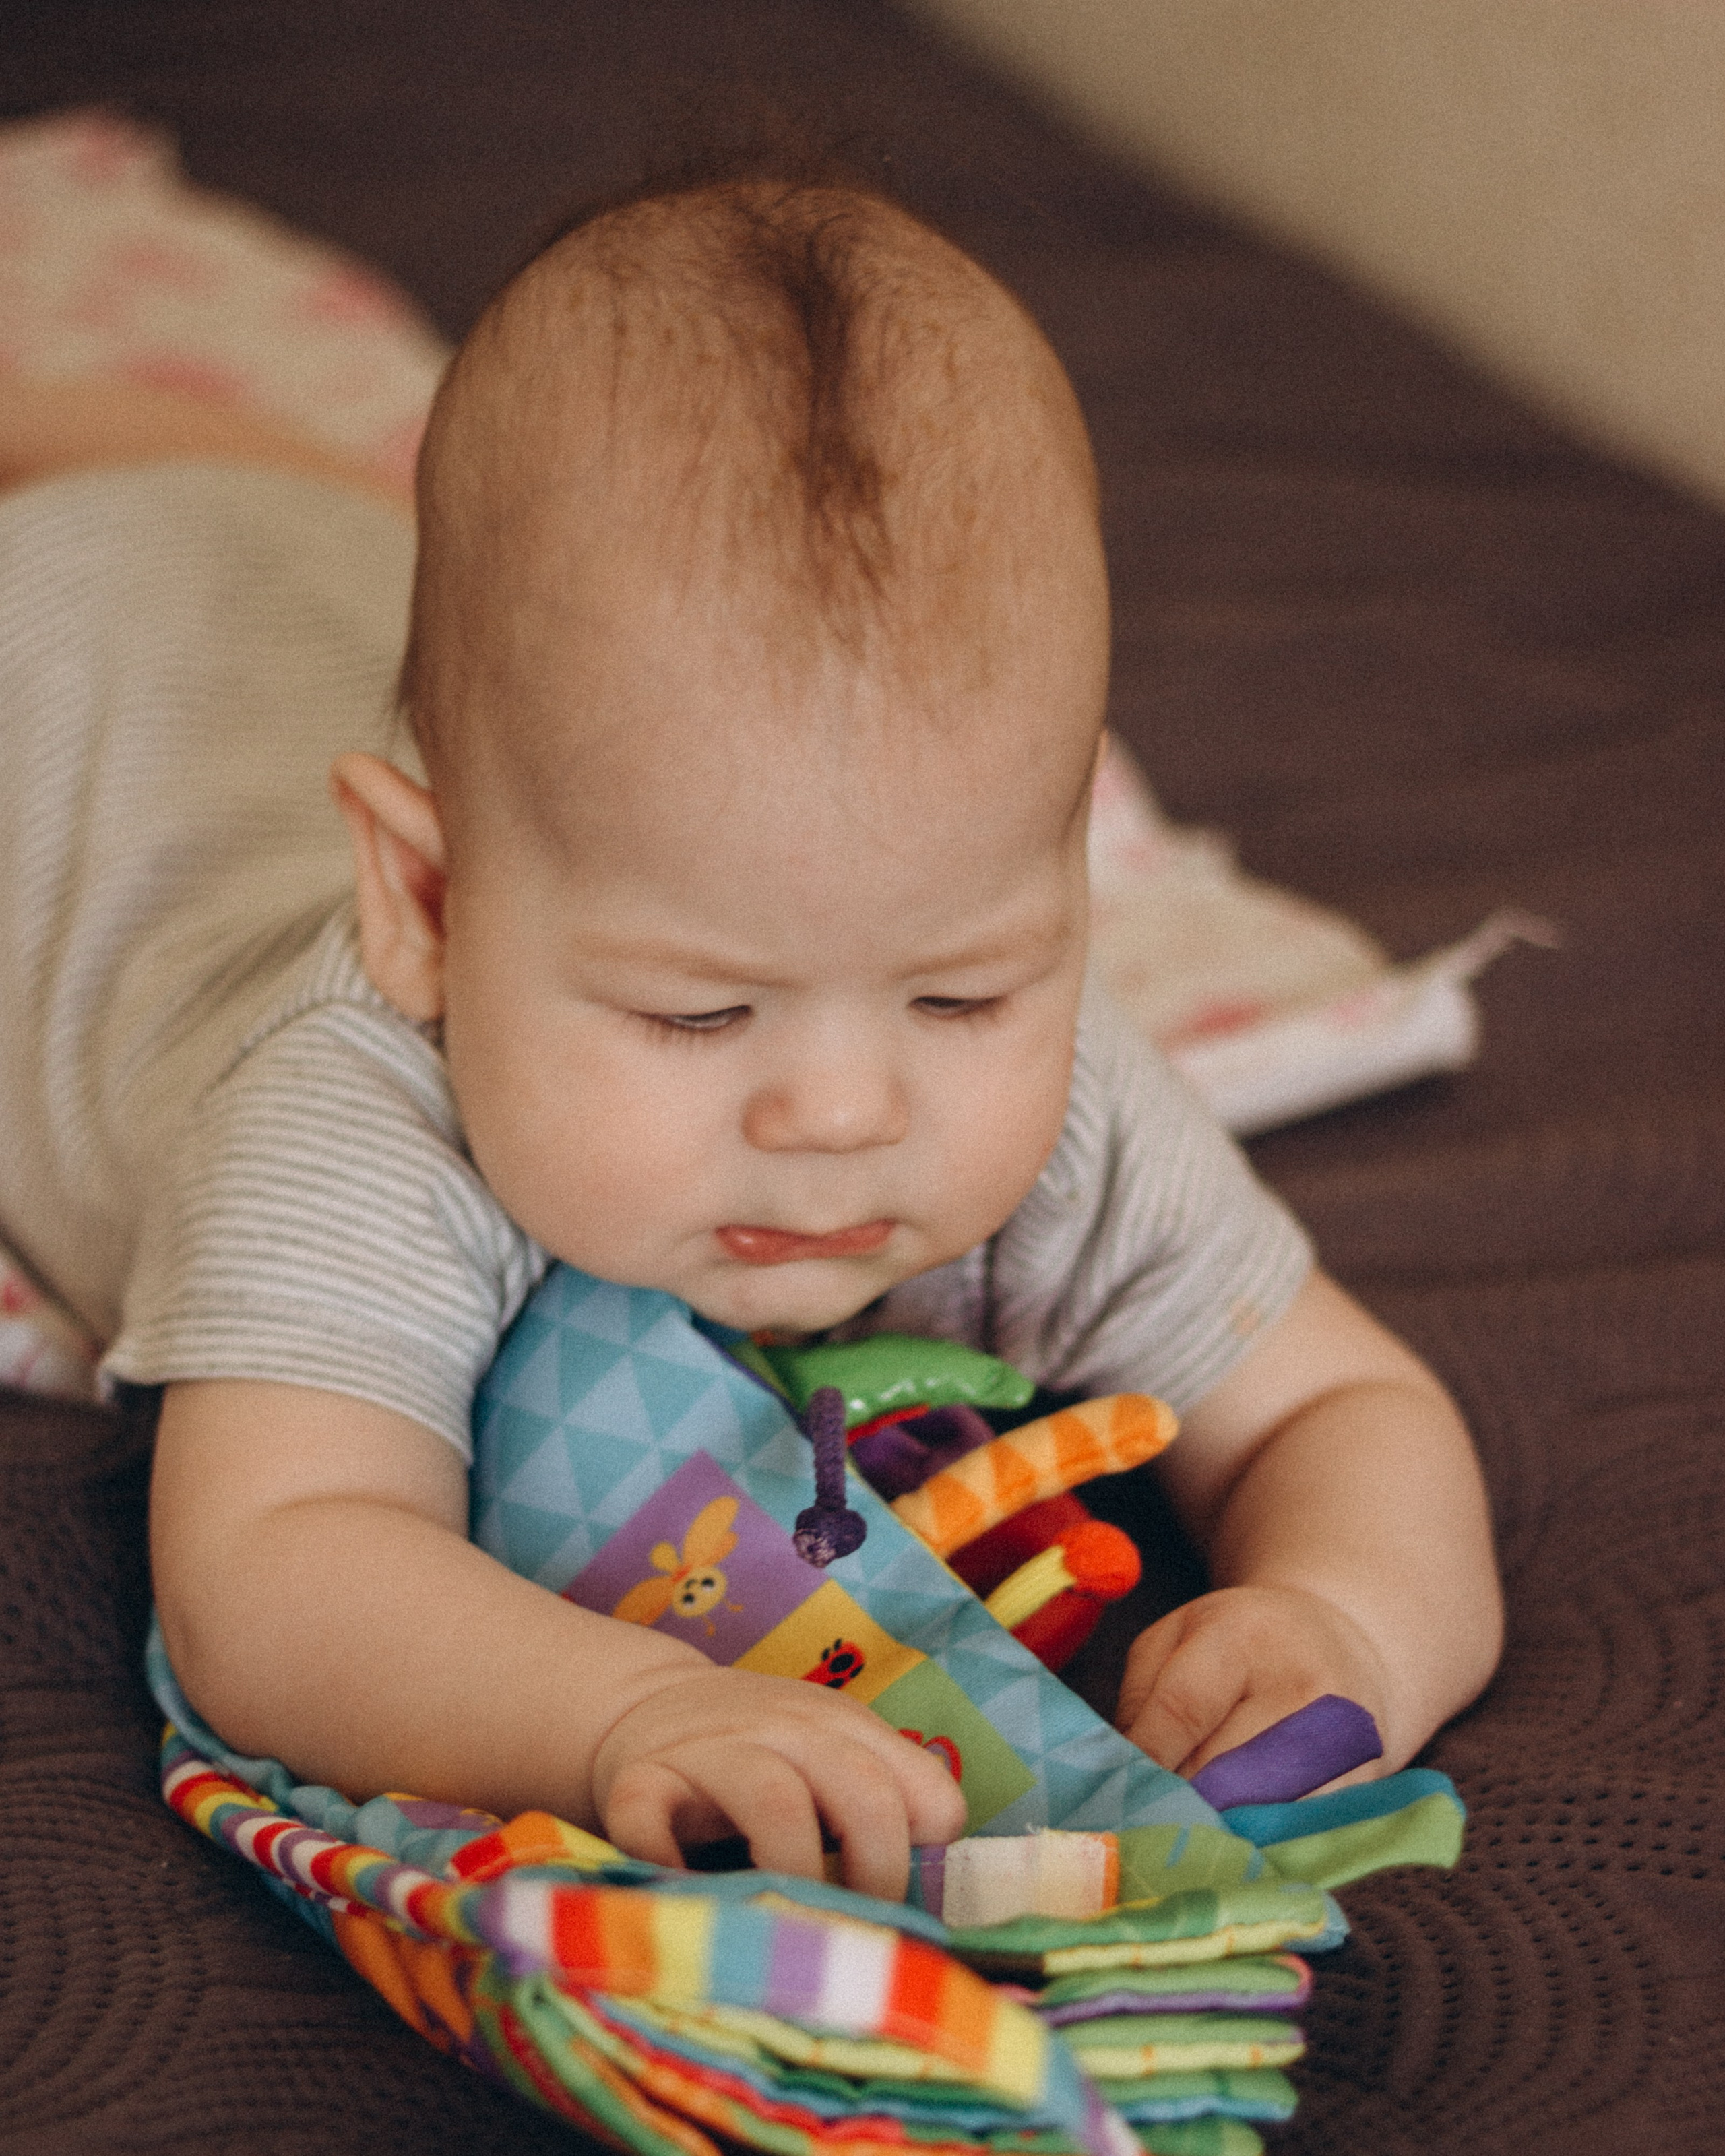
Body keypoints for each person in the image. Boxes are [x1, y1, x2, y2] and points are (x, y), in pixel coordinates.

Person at [0, 163, 1501, 1905]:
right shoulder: (351, 1119)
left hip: (302, 586)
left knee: (398, 599)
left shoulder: (1058, 1100)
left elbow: (1347, 1401)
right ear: (425, 908)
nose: (847, 1111)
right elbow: (275, 1570)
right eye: (698, 1010)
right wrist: (631, 1710)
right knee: (207, 548)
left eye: (963, 989)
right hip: (61, 672)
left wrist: (1345, 1618)